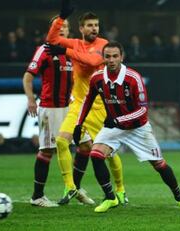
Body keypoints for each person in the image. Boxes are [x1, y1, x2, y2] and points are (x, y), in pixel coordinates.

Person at [73, 41, 180, 213]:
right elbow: (87, 101)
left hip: (138, 128)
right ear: (103, 58)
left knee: (158, 164)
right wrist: (78, 124)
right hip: (114, 126)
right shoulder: (97, 78)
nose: (111, 60)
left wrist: (119, 120)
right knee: (96, 154)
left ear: (122, 57)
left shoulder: (133, 78)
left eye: (115, 56)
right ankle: (110, 197)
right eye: (108, 56)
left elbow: (143, 110)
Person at [46, 0, 126, 205]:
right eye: (90, 25)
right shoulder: (76, 43)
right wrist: (61, 19)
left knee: (107, 152)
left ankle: (120, 190)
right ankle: (71, 187)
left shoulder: (103, 45)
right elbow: (52, 39)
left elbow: (91, 62)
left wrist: (66, 52)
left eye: (96, 25)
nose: (94, 29)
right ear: (81, 28)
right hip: (79, 104)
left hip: (100, 106)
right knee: (62, 141)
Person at [23, 16, 94, 207]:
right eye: (59, 27)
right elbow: (28, 77)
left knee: (86, 146)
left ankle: (75, 188)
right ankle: (37, 196)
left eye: (66, 27)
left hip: (71, 107)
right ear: (53, 29)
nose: (63, 29)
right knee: (47, 151)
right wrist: (31, 99)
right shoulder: (44, 50)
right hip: (50, 108)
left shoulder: (71, 50)